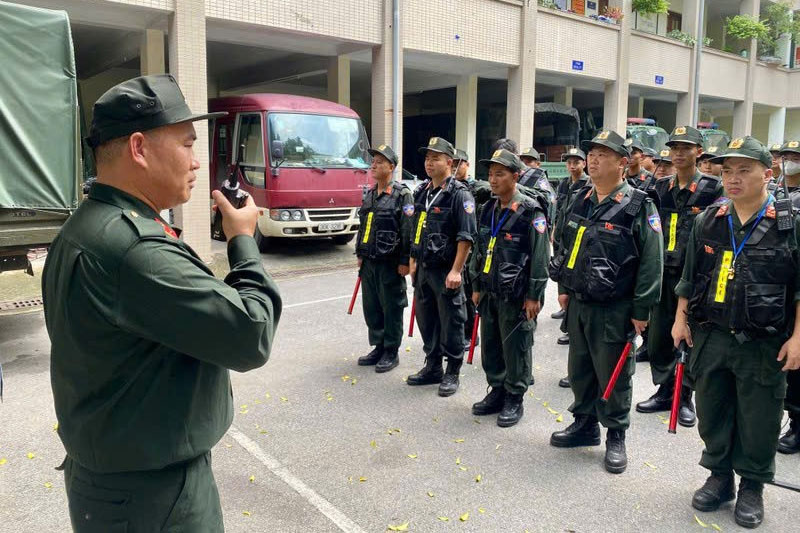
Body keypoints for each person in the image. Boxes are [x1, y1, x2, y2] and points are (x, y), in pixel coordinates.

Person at [42, 74, 283, 532]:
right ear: (138, 148)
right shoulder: (134, 249)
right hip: (154, 499)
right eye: (188, 144)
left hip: (110, 483)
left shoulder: (84, 227)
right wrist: (243, 242)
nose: (197, 161)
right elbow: (252, 332)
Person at [672, 136, 800, 529]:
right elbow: (689, 276)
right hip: (712, 335)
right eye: (727, 170)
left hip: (765, 343)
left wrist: (798, 337)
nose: (733, 178)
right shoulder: (708, 219)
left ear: (769, 172)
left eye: (744, 170)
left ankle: (752, 485)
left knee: (759, 419)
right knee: (712, 411)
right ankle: (720, 476)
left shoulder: (790, 224)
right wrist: (680, 318)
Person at [548, 130, 663, 474]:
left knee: (613, 373)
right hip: (581, 301)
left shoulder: (639, 205)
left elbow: (651, 262)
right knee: (580, 369)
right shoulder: (580, 197)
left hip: (616, 307)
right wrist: (564, 288)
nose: (594, 160)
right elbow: (567, 244)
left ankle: (616, 434)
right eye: (592, 154)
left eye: (603, 154)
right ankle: (584, 424)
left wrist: (642, 311)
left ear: (623, 163)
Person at [636, 126, 723, 428]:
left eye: (686, 148)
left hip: (696, 277)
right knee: (659, 336)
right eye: (674, 148)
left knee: (687, 337)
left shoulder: (714, 189)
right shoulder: (659, 189)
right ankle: (664, 389)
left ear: (699, 152)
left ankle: (684, 397)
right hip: (664, 272)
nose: (679, 153)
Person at [468, 149, 550, 427]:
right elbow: (480, 249)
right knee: (490, 343)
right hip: (490, 289)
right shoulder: (488, 208)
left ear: (516, 177)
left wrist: (534, 295)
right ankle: (497, 389)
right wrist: (476, 284)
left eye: (499, 174)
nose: (492, 180)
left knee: (516, 346)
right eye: (490, 174)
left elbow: (540, 257)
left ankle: (515, 396)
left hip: (516, 294)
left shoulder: (530, 210)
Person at [407, 137, 477, 396]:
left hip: (447, 269)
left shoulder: (459, 194)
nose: (429, 163)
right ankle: (433, 365)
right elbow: (417, 229)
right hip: (425, 268)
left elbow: (466, 236)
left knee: (452, 320)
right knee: (427, 318)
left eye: (435, 158)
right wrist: (413, 260)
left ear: (449, 162)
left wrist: (457, 270)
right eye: (427, 158)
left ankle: (452, 371)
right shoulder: (423, 192)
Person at [356, 144, 413, 373]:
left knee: (392, 306)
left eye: (379, 162)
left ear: (391, 167)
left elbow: (407, 229)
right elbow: (364, 226)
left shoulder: (402, 194)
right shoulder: (370, 194)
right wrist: (360, 252)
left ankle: (391, 350)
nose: (374, 165)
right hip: (370, 261)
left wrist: (405, 260)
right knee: (372, 306)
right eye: (373, 161)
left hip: (390, 263)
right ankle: (378, 345)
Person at [552, 148, 591, 383]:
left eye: (577, 162)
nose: (573, 165)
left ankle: (569, 324)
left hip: (578, 240)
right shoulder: (564, 184)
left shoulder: (587, 185)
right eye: (569, 162)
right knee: (560, 275)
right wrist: (555, 229)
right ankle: (567, 318)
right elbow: (560, 210)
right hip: (563, 237)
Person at [776, 140, 800, 455]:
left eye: (796, 157)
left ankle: (798, 425)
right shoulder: (774, 192)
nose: (790, 161)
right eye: (786, 156)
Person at [453, 148, 487, 350]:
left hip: (475, 248)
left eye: (460, 162)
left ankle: (471, 334)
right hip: (456, 245)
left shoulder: (476, 187)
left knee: (471, 293)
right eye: (453, 162)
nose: (456, 167)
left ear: (467, 164)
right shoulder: (451, 188)